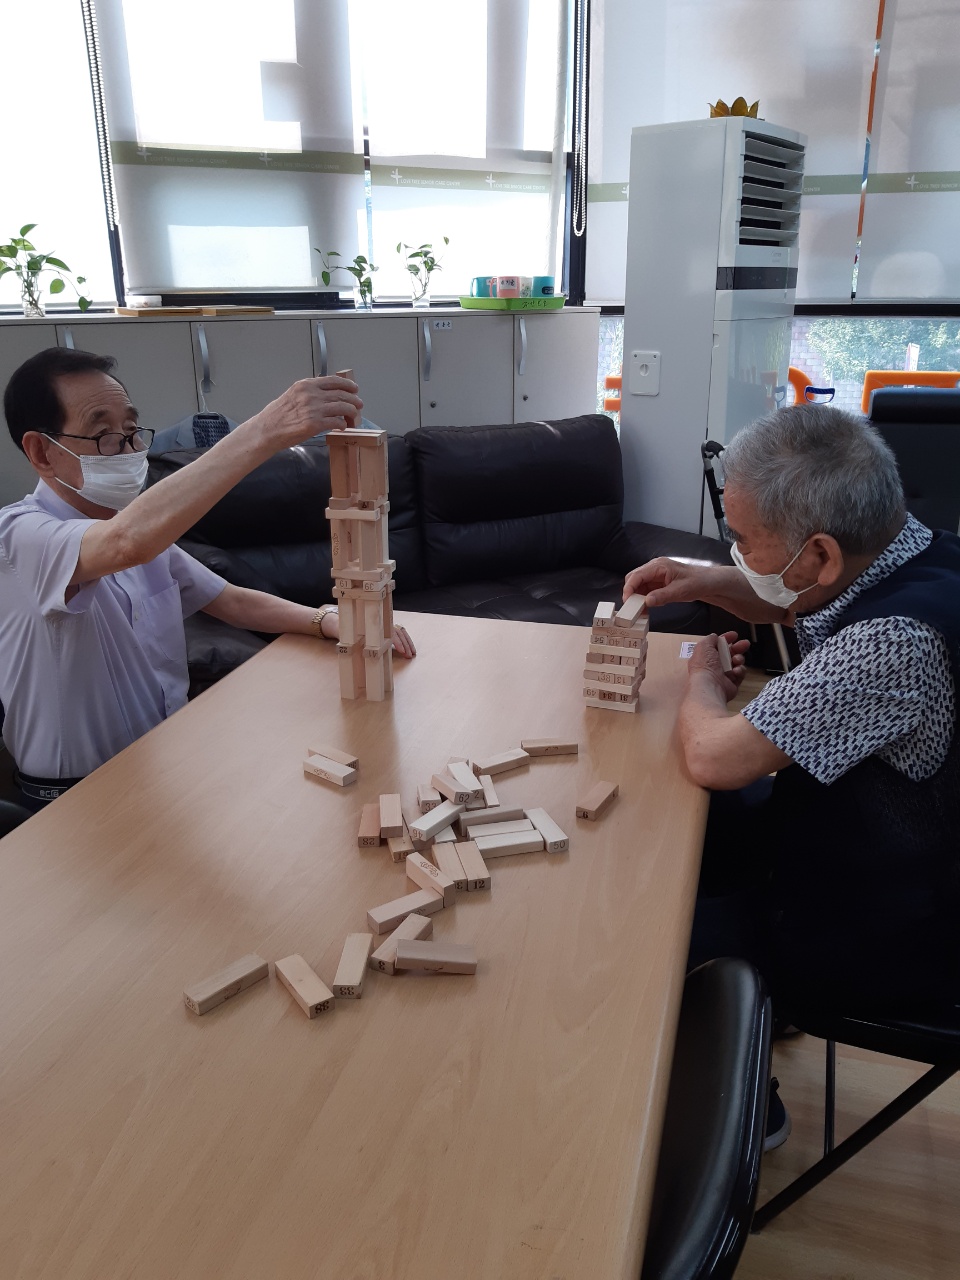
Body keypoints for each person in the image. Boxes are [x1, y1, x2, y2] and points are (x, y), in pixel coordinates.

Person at [623, 404, 960, 1019]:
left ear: (820, 555)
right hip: (851, 835)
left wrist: (702, 681)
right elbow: (798, 600)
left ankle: (757, 1050)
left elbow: (714, 757)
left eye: (745, 541)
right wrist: (700, 579)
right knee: (688, 835)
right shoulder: (914, 550)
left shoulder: (892, 643)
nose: (736, 553)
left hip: (886, 927)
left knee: (641, 944)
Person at [0, 347, 415, 811]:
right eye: (104, 437)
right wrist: (266, 429)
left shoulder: (133, 531)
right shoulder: (18, 537)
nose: (130, 450)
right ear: (41, 452)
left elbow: (230, 600)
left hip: (161, 768)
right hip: (72, 799)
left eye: (132, 432)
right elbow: (125, 543)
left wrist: (328, 619)